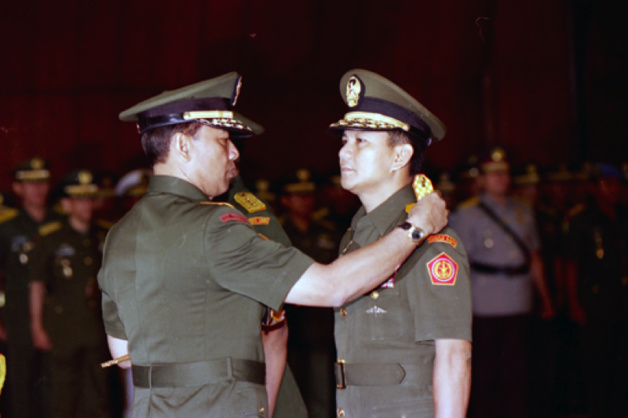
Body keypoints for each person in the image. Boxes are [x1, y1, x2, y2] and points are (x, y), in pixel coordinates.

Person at [98, 72, 449, 417]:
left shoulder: (119, 235)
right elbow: (331, 288)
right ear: (183, 146)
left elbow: (123, 351)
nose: (234, 153)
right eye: (223, 140)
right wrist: (417, 226)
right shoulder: (214, 225)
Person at [326, 69, 472, 417]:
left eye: (362, 141)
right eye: (345, 140)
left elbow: (454, 356)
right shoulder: (356, 236)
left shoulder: (431, 243)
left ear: (400, 156)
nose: (345, 152)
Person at [451, 147, 554, 418]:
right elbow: (458, 264)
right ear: (481, 179)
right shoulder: (466, 213)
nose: (501, 179)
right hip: (484, 300)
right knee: (487, 372)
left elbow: (534, 258)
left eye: (505, 173)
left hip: (518, 297)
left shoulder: (523, 209)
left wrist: (545, 298)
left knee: (518, 371)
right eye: (494, 174)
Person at [29, 169, 112, 417]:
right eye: (80, 199)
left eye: (90, 198)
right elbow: (37, 285)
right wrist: (37, 327)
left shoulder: (103, 234)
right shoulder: (51, 238)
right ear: (66, 204)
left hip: (96, 327)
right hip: (62, 328)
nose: (87, 204)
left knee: (97, 392)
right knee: (64, 394)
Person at [564, 163, 628, 418]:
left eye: (616, 184)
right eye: (606, 183)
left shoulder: (623, 216)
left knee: (621, 362)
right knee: (596, 365)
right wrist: (574, 303)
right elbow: (571, 265)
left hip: (621, 298)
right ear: (593, 188)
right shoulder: (581, 219)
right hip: (595, 299)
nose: (612, 189)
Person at [0, 157, 60, 418]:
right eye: (30, 183)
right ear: (18, 188)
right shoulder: (6, 228)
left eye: (42, 183)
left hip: (59, 319)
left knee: (57, 390)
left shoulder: (61, 223)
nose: (38, 189)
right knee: (22, 391)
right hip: (17, 320)